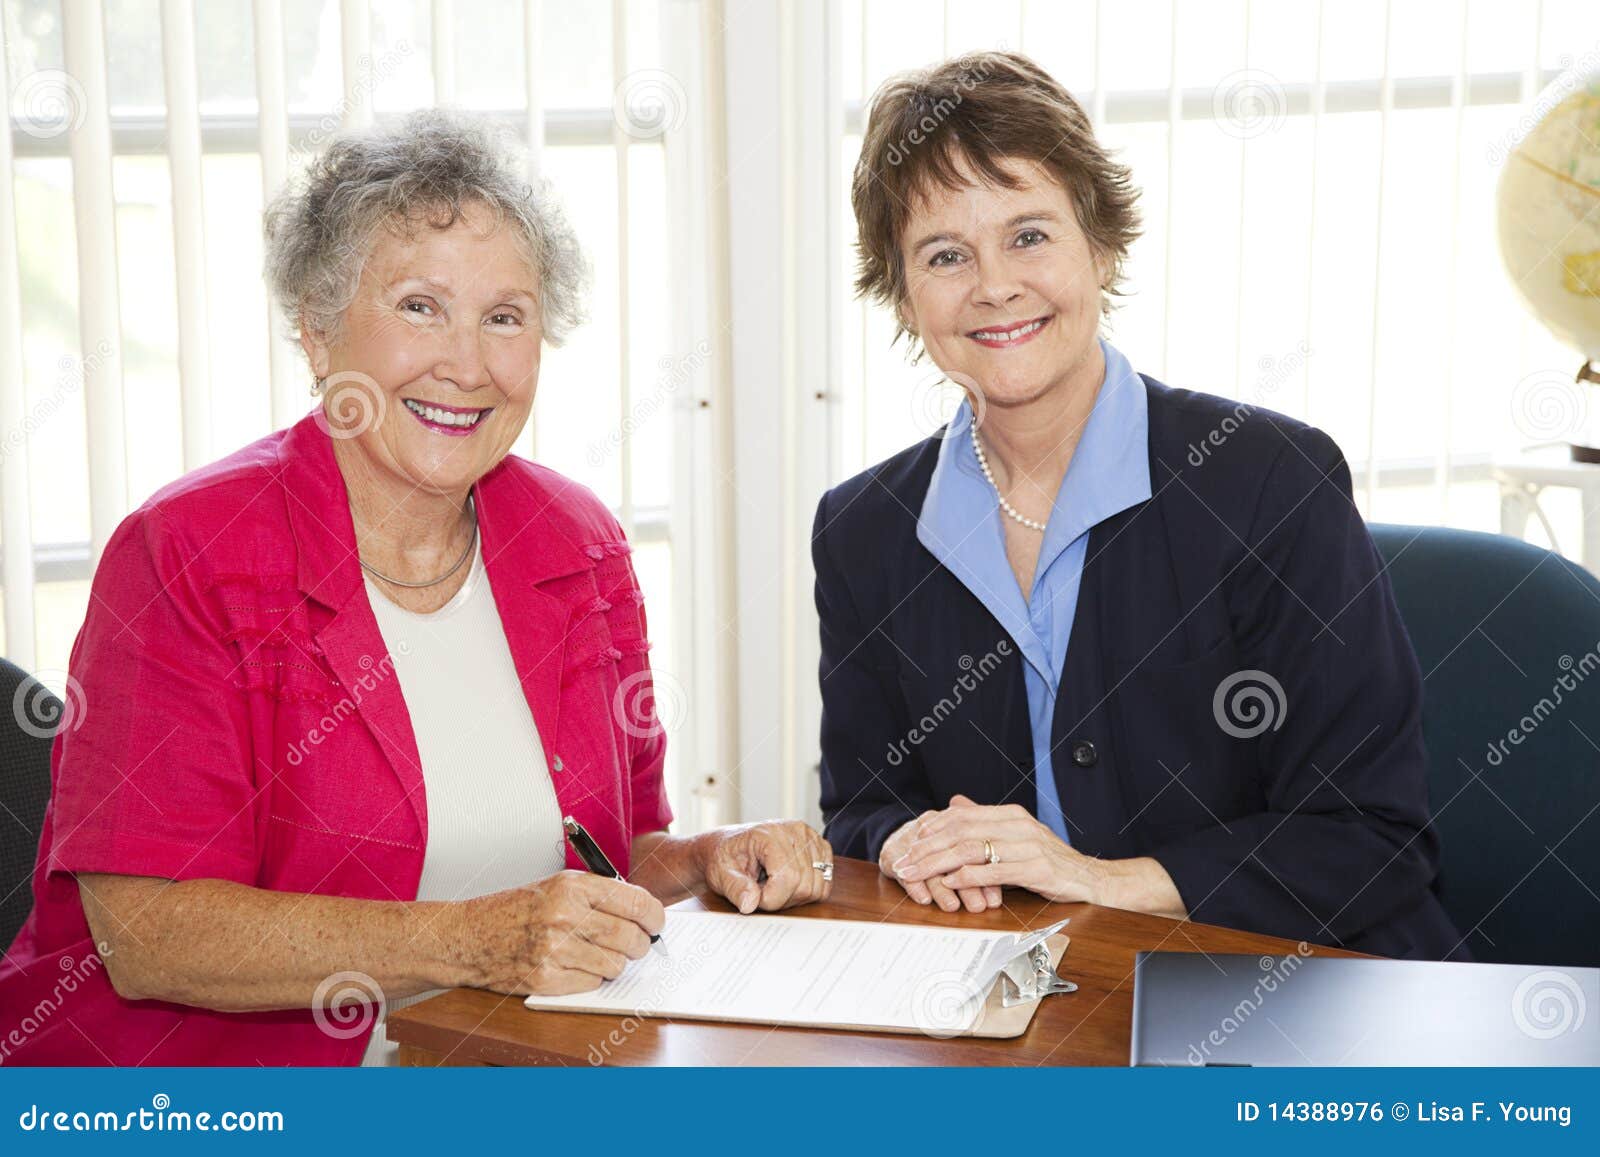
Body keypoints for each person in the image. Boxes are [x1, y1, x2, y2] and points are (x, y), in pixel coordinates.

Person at [0, 110, 833, 1066]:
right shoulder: (187, 553)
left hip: (501, 1064)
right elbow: (147, 934)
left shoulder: (579, 543)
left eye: (505, 317)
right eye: (420, 307)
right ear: (319, 329)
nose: (468, 364)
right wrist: (469, 941)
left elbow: (609, 851)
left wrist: (704, 863)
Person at [813, 52, 1463, 960]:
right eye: (946, 254)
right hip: (1035, 1009)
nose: (994, 284)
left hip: (1305, 992)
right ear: (903, 290)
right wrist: (910, 844)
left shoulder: (1273, 480)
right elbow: (862, 806)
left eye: (1029, 235)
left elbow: (1368, 834)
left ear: (1102, 245)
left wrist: (1100, 882)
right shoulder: (863, 529)